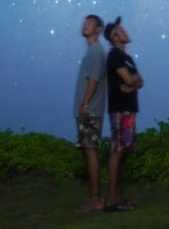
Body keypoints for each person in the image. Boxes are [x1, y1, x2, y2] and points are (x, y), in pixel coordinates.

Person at [104, 16, 143, 212]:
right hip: (120, 109)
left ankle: (118, 196)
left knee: (124, 152)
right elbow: (130, 80)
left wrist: (133, 82)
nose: (126, 31)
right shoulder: (115, 56)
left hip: (129, 109)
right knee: (118, 149)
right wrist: (133, 81)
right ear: (115, 37)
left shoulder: (127, 58)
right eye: (121, 30)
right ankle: (111, 199)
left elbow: (139, 81)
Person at [72, 14, 107, 212]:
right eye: (84, 22)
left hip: (90, 110)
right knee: (88, 150)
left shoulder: (95, 51)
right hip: (89, 109)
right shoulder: (93, 52)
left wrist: (85, 104)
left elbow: (93, 79)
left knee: (91, 150)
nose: (85, 25)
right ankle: (96, 198)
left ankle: (96, 200)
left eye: (90, 23)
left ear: (98, 29)